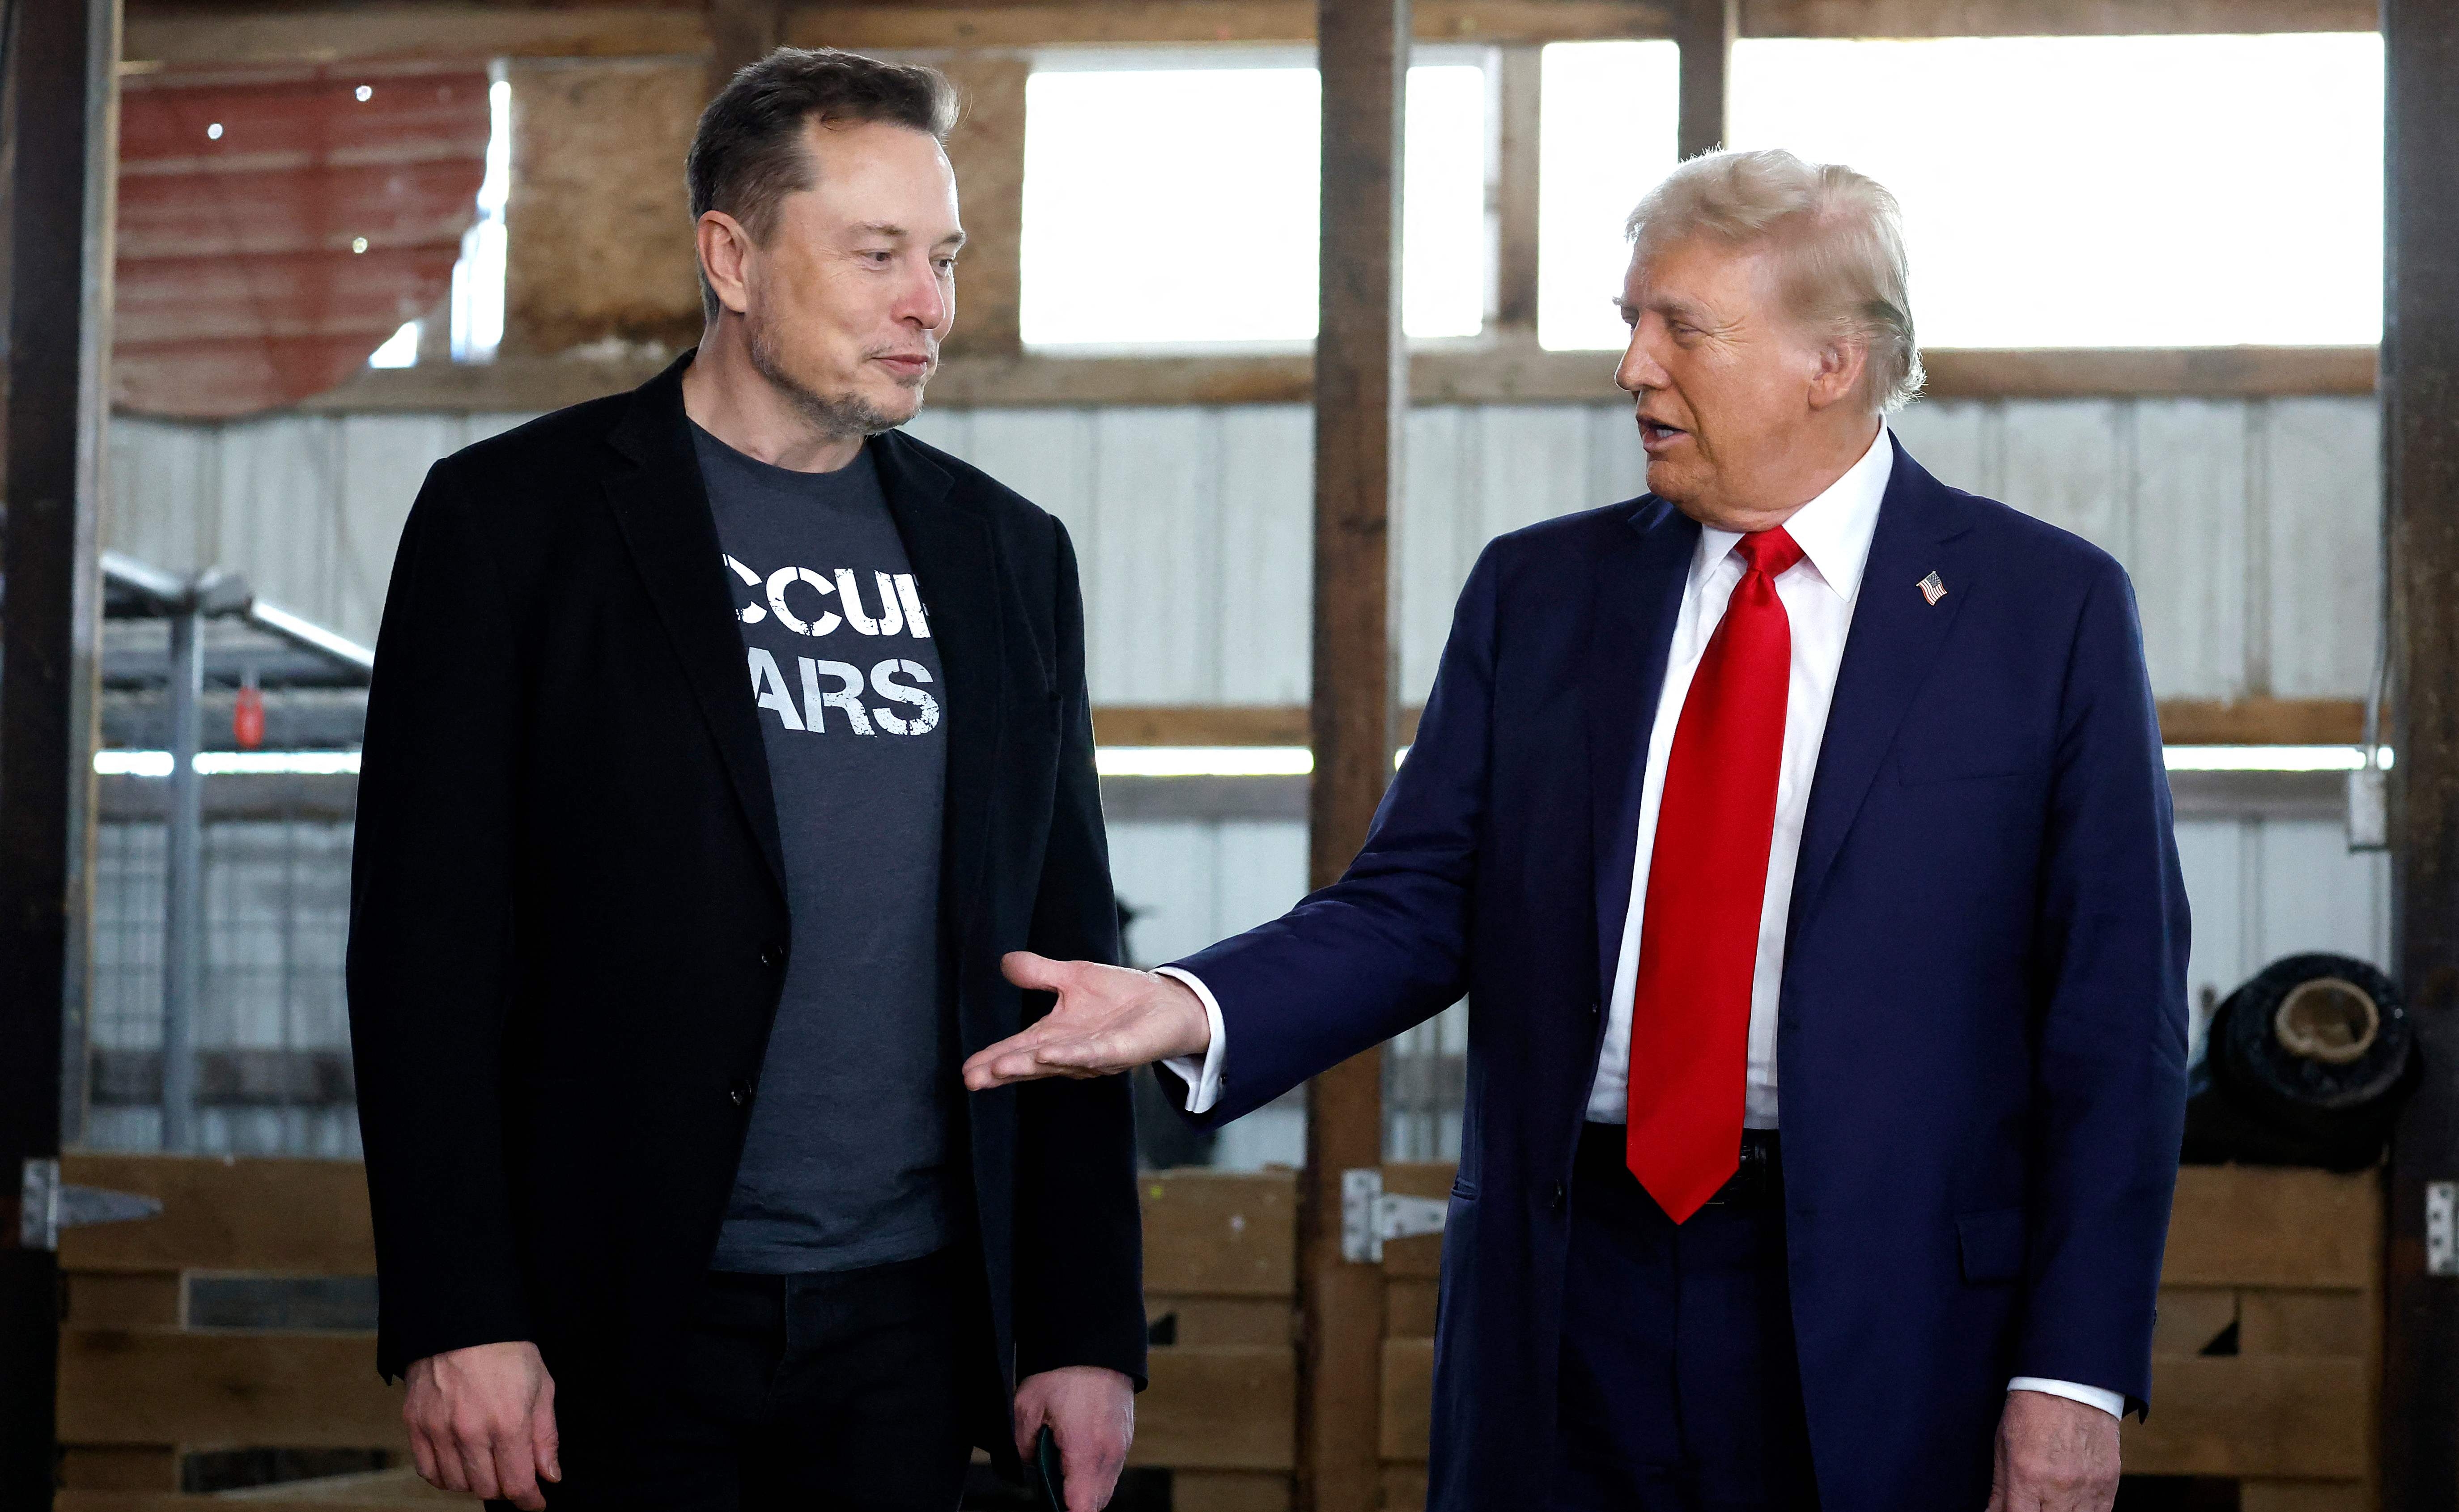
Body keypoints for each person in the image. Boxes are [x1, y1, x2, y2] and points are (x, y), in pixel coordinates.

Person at [964, 149, 2189, 1512]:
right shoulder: (1538, 592)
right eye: (1629, 320)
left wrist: (2072, 1374)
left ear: (1829, 363)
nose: (1631, 369)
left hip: (1891, 1318)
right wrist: (1188, 1003)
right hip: (1565, 1296)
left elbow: (2112, 1018)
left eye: (1682, 327)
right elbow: (1415, 901)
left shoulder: (2046, 611)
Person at [348, 47, 1142, 1512]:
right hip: (621, 1316)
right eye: (879, 254)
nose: (931, 305)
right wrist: (457, 1306)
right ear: (731, 255)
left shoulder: (1006, 554)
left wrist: (1086, 1326)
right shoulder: (512, 526)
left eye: (945, 257)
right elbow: (423, 953)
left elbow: (1071, 947)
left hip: (913, 1317)